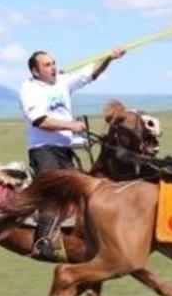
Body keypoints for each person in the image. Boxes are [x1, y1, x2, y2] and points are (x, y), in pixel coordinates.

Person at [19, 48, 125, 258]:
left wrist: (109, 58)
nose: (53, 68)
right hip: (44, 149)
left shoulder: (62, 82)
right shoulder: (29, 89)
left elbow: (91, 73)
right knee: (53, 192)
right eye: (47, 65)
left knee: (84, 189)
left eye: (54, 63)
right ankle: (42, 241)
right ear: (35, 71)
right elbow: (39, 121)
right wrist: (71, 125)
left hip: (65, 150)